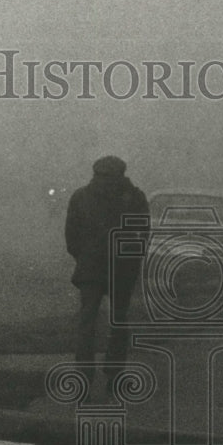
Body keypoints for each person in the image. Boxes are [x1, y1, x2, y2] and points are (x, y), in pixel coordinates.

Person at [64, 155, 148, 390]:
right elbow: (142, 234)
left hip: (91, 267)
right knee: (119, 322)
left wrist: (83, 257)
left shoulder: (81, 197)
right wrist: (131, 261)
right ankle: (114, 374)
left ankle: (83, 376)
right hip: (122, 269)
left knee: (87, 323)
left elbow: (71, 236)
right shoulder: (134, 197)